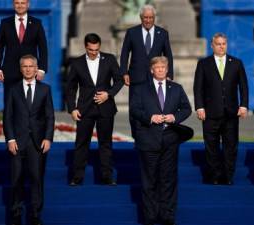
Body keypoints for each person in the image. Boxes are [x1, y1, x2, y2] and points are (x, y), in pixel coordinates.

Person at [130, 56, 191, 225]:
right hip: (148, 140)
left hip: (170, 140)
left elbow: (186, 108)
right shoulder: (141, 89)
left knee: (169, 179)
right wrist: (150, 117)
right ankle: (150, 216)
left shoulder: (176, 88)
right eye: (157, 68)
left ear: (167, 69)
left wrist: (174, 117)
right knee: (149, 180)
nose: (161, 70)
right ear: (152, 70)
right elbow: (134, 109)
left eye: (163, 67)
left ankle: (168, 216)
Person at [65, 33, 124, 186]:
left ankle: (107, 177)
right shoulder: (77, 63)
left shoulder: (109, 59)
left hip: (106, 109)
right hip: (84, 109)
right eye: (91, 50)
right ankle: (77, 177)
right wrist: (72, 109)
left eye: (97, 49)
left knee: (105, 143)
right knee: (81, 143)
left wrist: (108, 94)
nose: (94, 52)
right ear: (86, 47)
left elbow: (119, 80)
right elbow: (70, 88)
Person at [3, 54, 54, 225]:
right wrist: (10, 139)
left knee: (36, 179)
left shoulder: (45, 89)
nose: (28, 69)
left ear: (36, 68)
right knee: (16, 179)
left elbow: (50, 117)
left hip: (37, 142)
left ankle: (35, 214)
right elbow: (8, 116)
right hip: (17, 141)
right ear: (20, 68)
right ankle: (16, 214)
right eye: (25, 66)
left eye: (31, 66)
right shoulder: (13, 89)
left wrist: (48, 138)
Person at [193, 33, 248, 185]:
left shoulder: (236, 63)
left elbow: (243, 86)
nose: (221, 46)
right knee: (211, 146)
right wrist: (199, 107)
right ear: (212, 46)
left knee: (231, 146)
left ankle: (228, 176)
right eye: (218, 44)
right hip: (210, 113)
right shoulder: (204, 64)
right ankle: (215, 176)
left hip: (231, 113)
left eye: (224, 43)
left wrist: (243, 105)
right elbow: (198, 88)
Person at [119, 4, 173, 137]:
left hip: (156, 79)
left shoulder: (162, 33)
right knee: (135, 109)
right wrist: (124, 72)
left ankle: (153, 137)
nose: (148, 20)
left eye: (150, 17)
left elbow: (168, 55)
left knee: (155, 107)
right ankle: (136, 136)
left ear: (154, 18)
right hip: (136, 78)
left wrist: (169, 74)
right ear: (140, 18)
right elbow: (124, 53)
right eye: (145, 17)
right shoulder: (132, 32)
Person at [0, 0, 48, 101]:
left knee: (29, 102)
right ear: (13, 5)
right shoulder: (5, 23)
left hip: (30, 70)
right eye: (17, 3)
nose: (20, 5)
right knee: (10, 103)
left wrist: (42, 69)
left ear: (28, 5)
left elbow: (43, 48)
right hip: (9, 71)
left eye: (23, 3)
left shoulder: (37, 23)